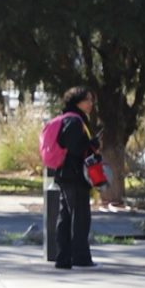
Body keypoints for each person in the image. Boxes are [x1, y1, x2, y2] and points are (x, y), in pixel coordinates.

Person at [52, 87, 98, 270]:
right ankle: (78, 257)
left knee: (68, 215)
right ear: (78, 101)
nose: (91, 104)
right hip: (74, 175)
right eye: (87, 99)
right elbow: (73, 147)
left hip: (68, 174)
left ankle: (65, 257)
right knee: (79, 216)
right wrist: (91, 144)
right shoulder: (74, 120)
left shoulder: (73, 118)